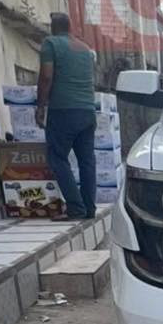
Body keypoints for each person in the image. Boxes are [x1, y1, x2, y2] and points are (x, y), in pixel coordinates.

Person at [35, 13, 97, 221]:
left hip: (64, 110)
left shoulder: (51, 44)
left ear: (53, 28)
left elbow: (46, 76)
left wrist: (40, 106)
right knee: (86, 161)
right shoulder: (85, 49)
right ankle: (89, 209)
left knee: (57, 157)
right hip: (87, 111)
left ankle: (76, 209)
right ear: (70, 27)